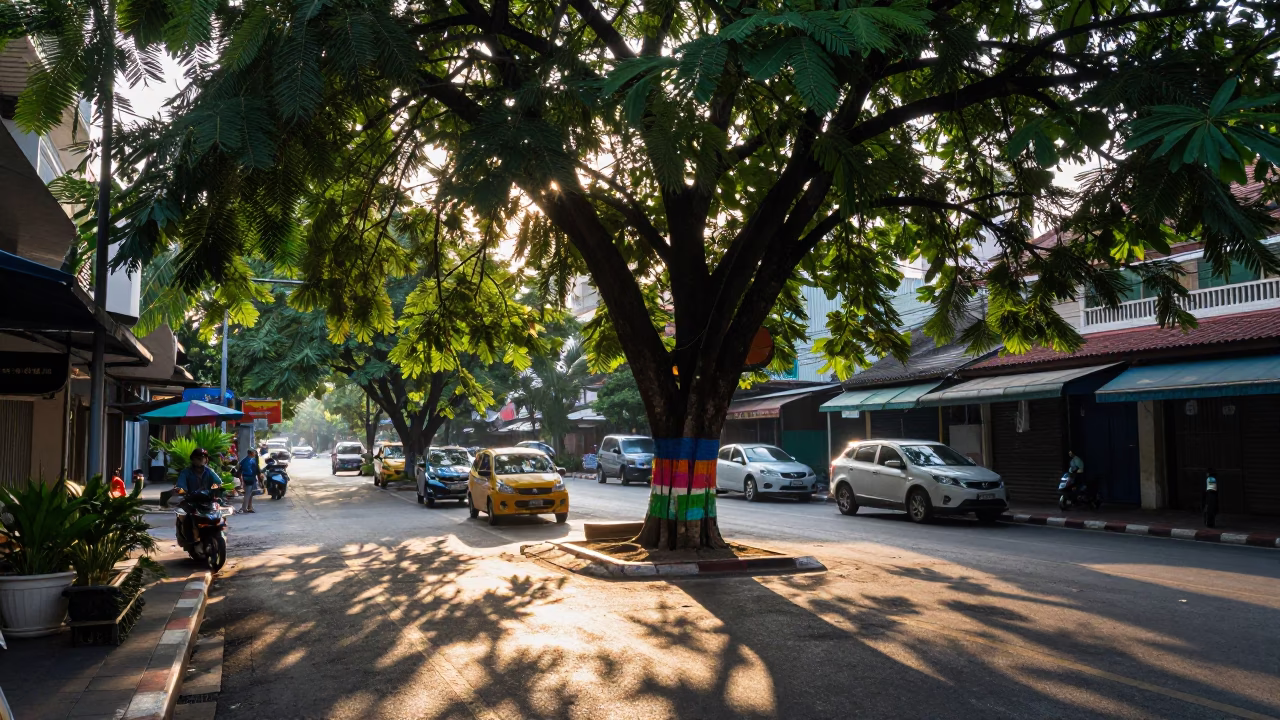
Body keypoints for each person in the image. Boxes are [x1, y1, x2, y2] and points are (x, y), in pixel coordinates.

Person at [239, 447, 262, 514]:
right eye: (254, 452)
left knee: (250, 494)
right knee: (248, 494)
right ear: (251, 453)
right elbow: (252, 470)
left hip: (247, 478)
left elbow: (240, 468)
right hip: (249, 478)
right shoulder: (250, 461)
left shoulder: (245, 460)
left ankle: (249, 507)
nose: (255, 453)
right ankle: (244, 508)